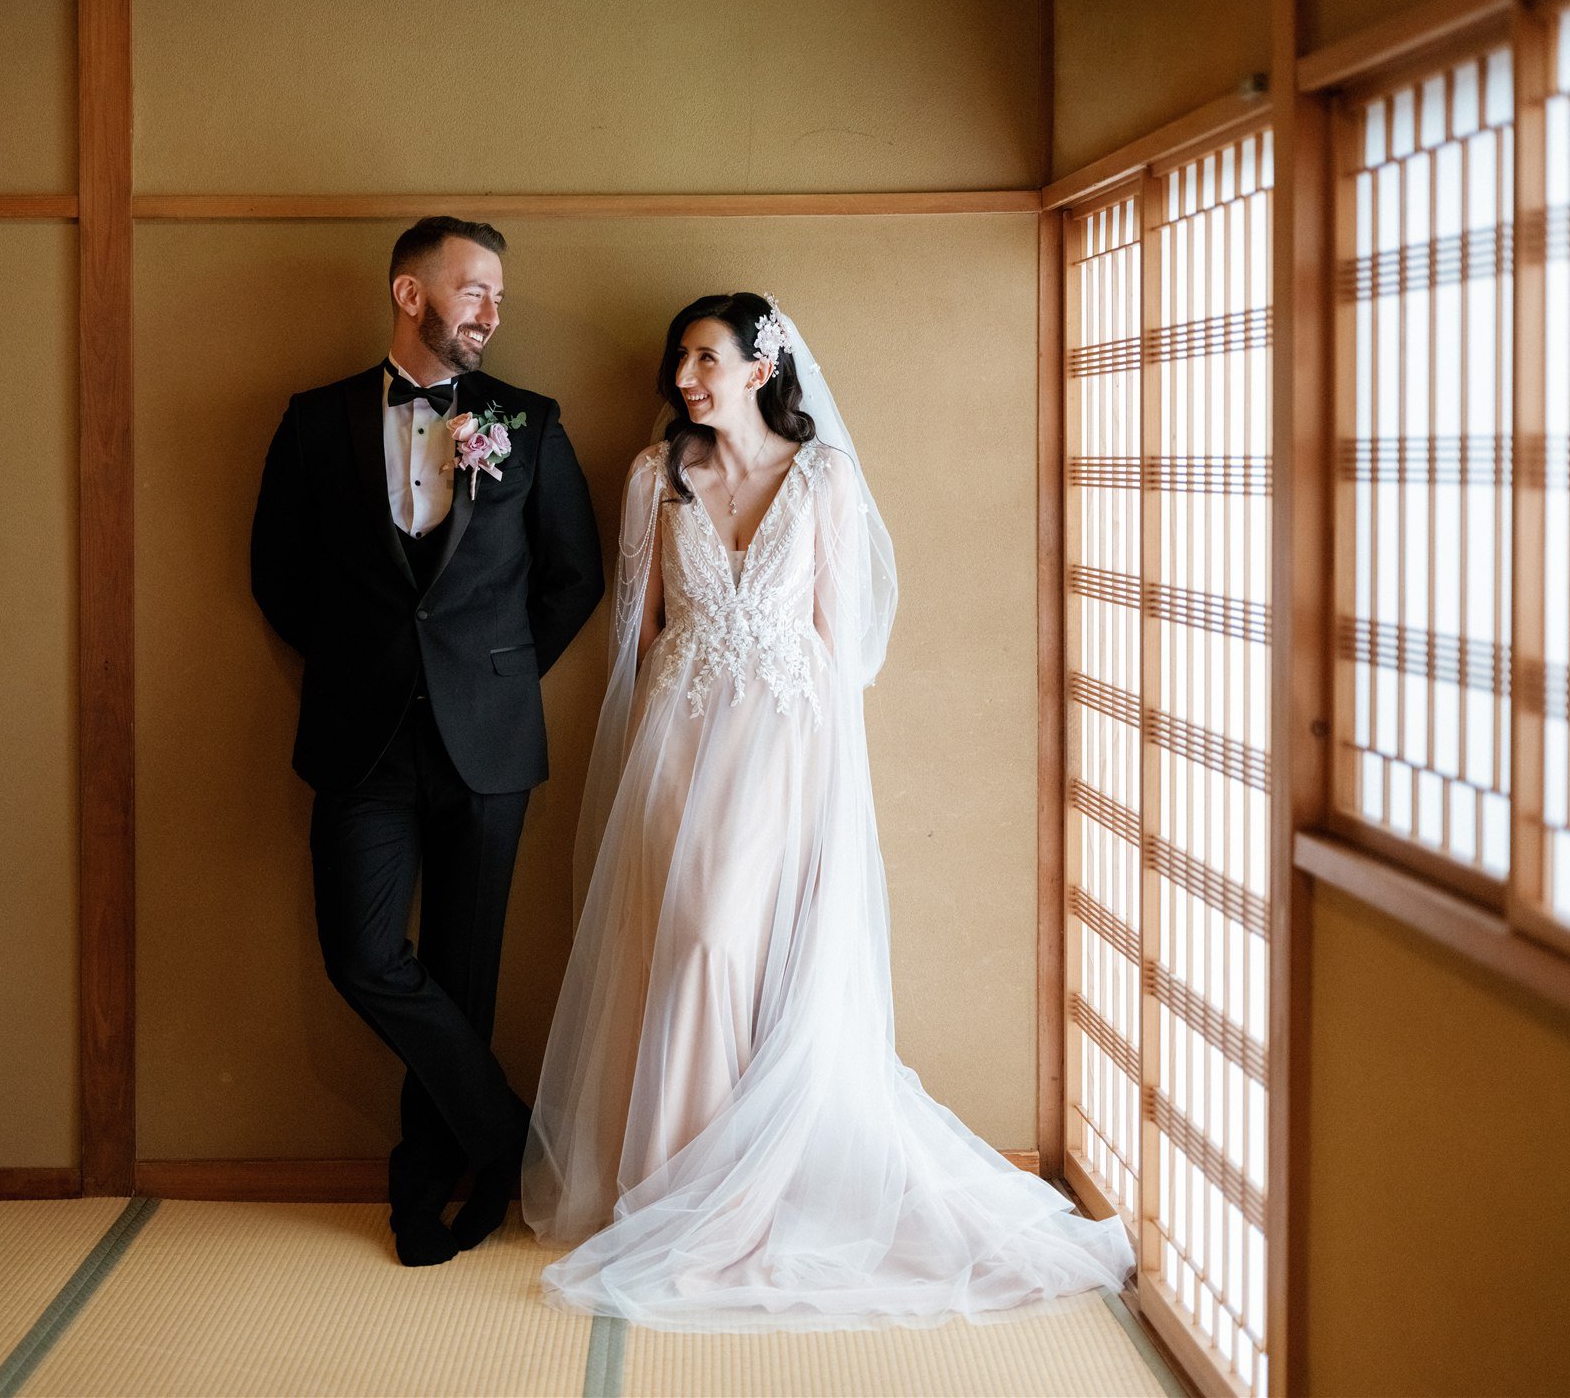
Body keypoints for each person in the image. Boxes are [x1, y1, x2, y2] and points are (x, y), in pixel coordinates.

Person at [523, 292, 1134, 1326]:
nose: (684, 377)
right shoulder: (652, 477)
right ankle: (673, 1180)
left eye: (705, 358)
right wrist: (632, 767)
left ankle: (733, 1188)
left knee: (737, 947)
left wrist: (826, 787)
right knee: (683, 945)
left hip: (784, 748)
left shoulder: (823, 480)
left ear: (758, 369)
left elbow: (844, 648)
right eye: (679, 359)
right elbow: (631, 633)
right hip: (675, 742)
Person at [250, 217, 604, 1266]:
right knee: (362, 956)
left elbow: (572, 574)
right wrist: (371, 665)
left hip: (487, 743)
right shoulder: (314, 423)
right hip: (360, 737)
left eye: (498, 295)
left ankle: (424, 1189)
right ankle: (503, 1137)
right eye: (473, 290)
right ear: (410, 295)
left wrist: (487, 678)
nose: (491, 312)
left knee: (463, 971)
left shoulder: (527, 423)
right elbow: (275, 573)